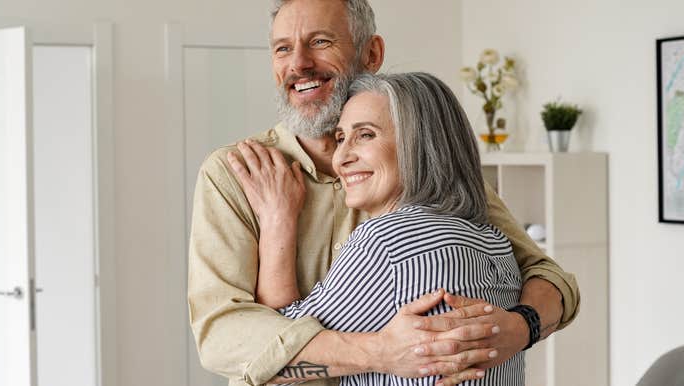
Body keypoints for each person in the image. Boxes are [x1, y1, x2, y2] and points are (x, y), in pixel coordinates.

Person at [187, 0, 580, 385]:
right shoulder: (233, 174)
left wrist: (519, 327)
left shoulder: (432, 177)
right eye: (283, 48)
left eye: (320, 42)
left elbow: (548, 277)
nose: (299, 63)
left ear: (371, 52)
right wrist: (378, 352)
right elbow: (222, 337)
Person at [241, 72, 527, 386]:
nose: (341, 157)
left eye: (365, 135)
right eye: (340, 138)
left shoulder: (386, 242)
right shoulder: (496, 242)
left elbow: (278, 352)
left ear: (418, 145)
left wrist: (276, 219)